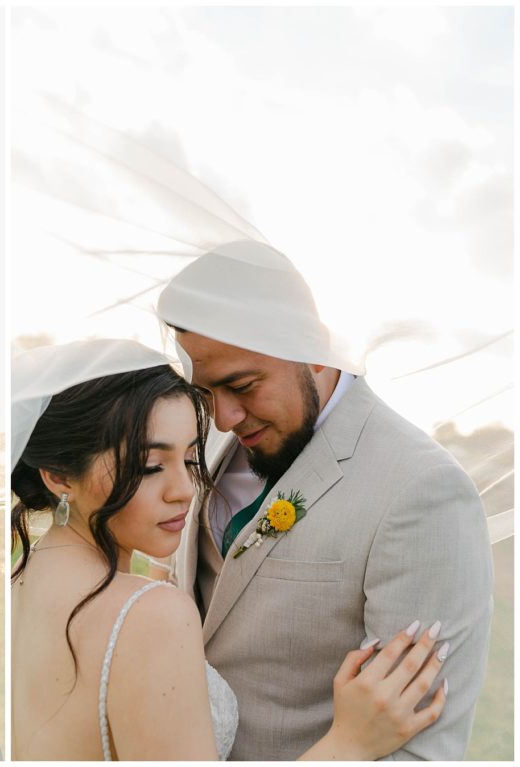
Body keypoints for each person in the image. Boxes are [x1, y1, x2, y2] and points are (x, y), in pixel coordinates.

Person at [11, 338, 449, 761]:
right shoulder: (149, 614)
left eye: (189, 459)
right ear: (58, 475)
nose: (184, 491)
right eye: (150, 466)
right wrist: (348, 745)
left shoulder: (21, 581)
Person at [155, 240, 493, 760]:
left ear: (312, 350)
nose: (223, 418)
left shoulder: (421, 490)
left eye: (242, 385)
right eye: (206, 392)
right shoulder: (220, 439)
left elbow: (418, 749)